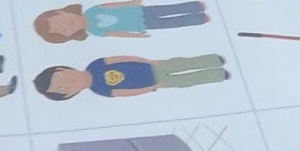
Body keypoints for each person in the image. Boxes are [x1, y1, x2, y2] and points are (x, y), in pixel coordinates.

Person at [33, 52, 229, 99]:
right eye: (62, 88)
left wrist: (147, 61)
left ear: (63, 69)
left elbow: (121, 58)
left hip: (152, 66)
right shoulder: (99, 90)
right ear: (68, 95)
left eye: (61, 78)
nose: (68, 82)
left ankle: (213, 60)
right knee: (185, 81)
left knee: (182, 63)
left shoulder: (95, 65)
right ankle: (218, 74)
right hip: (155, 82)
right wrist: (152, 88)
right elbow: (125, 92)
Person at [33, 0, 209, 40]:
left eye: (60, 19)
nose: (66, 24)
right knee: (171, 23)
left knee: (169, 9)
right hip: (141, 24)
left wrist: (130, 2)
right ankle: (199, 18)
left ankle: (195, 7)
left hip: (139, 10)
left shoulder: (91, 11)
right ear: (69, 35)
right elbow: (116, 33)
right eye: (62, 29)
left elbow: (111, 5)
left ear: (63, 11)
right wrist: (135, 36)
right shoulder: (94, 31)